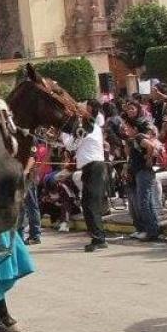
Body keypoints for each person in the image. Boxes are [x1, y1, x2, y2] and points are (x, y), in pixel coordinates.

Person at [64, 106, 109, 252]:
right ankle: (97, 236)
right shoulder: (90, 126)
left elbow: (70, 145)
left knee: (90, 204)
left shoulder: (88, 127)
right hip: (91, 167)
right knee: (88, 202)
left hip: (94, 167)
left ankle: (99, 238)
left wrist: (63, 132)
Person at [122, 101, 162, 241]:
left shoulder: (139, 136)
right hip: (136, 170)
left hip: (143, 171)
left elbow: (151, 145)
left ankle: (151, 231)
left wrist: (149, 159)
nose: (126, 129)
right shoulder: (132, 139)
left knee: (144, 202)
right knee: (139, 202)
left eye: (128, 127)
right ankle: (145, 229)